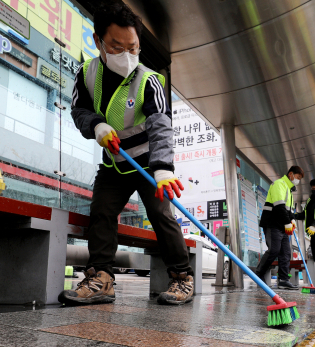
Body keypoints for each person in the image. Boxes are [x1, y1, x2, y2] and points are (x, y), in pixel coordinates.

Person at [60, 1, 194, 306]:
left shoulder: (149, 80)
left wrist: (163, 168)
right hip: (116, 163)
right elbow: (79, 110)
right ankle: (102, 279)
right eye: (117, 47)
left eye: (133, 48)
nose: (127, 55)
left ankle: (182, 278)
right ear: (98, 42)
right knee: (102, 212)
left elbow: (161, 125)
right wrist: (96, 125)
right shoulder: (87, 75)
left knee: (161, 214)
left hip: (148, 161)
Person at [255, 166, 305, 289]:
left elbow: (289, 210)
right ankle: (258, 274)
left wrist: (292, 220)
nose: (297, 180)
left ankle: (283, 279)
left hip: (282, 225)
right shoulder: (279, 184)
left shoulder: (288, 189)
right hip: (272, 223)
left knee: (286, 253)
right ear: (291, 174)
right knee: (274, 250)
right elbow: (279, 206)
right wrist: (287, 222)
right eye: (297, 177)